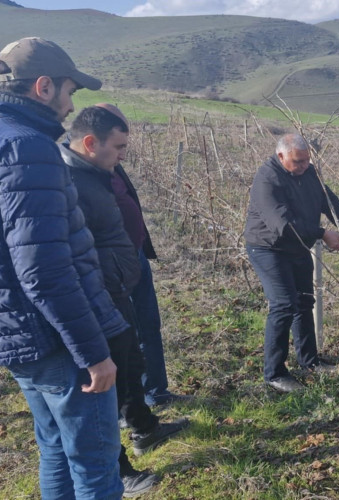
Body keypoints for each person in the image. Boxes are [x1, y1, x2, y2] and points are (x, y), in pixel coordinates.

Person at [0, 37, 127, 499]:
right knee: (94, 463)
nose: (72, 104)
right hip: (55, 336)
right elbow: (43, 267)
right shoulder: (29, 148)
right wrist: (93, 351)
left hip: (16, 332)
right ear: (43, 87)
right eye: (70, 91)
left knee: (55, 448)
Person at [61, 105, 189, 495]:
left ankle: (144, 428)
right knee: (101, 389)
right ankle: (115, 469)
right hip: (96, 298)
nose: (123, 155)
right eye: (118, 147)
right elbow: (69, 255)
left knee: (131, 362)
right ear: (89, 143)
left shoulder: (96, 172)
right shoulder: (68, 181)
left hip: (116, 288)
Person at [244, 133, 339, 393]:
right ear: (281, 156)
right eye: (298, 162)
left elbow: (325, 197)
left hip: (297, 247)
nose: (304, 166)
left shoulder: (307, 171)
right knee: (284, 304)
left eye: (307, 160)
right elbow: (282, 225)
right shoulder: (267, 180)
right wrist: (322, 234)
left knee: (305, 301)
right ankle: (274, 373)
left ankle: (310, 361)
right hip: (269, 247)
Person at [95, 102, 187, 408]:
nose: (124, 149)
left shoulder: (111, 162)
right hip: (114, 266)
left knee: (149, 324)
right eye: (119, 140)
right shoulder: (83, 170)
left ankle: (156, 391)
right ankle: (131, 404)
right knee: (126, 332)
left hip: (134, 256)